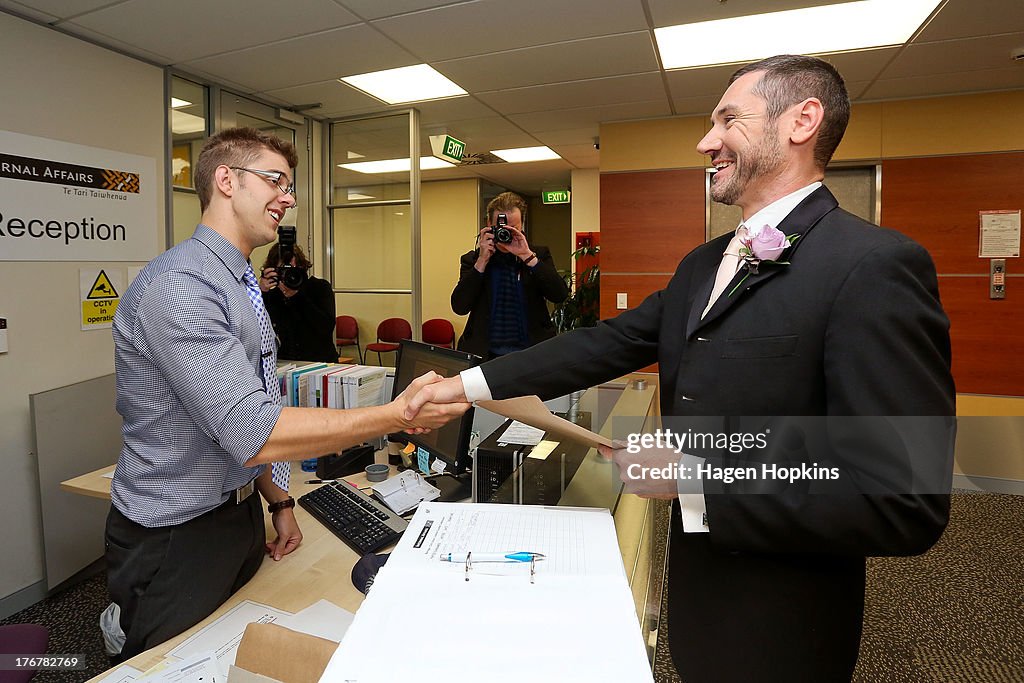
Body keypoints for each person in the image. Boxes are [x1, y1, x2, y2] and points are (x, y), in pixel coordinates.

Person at [407, 55, 955, 682]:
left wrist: (696, 481)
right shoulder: (704, 263)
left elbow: (903, 498)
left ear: (802, 121)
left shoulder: (874, 266)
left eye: (727, 119)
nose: (706, 141)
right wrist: (465, 384)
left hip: (782, 617)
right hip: (695, 589)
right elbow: (605, 343)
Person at [106, 127, 468, 660]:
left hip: (237, 513)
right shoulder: (183, 284)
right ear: (225, 180)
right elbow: (251, 430)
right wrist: (394, 414)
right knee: (175, 664)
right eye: (275, 179)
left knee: (237, 660)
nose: (289, 196)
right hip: (175, 535)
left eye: (290, 184)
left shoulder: (238, 280)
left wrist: (277, 497)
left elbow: (248, 403)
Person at [451, 191, 569, 359]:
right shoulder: (473, 259)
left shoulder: (537, 255)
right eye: (501, 228)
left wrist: (527, 256)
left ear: (523, 226)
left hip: (531, 354)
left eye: (513, 228)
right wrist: (482, 261)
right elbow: (459, 307)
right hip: (485, 355)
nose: (506, 234)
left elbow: (560, 294)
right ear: (489, 224)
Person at [259, 242, 338, 363]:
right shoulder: (273, 295)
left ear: (301, 267)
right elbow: (260, 327)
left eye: (292, 269)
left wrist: (296, 296)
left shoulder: (319, 287)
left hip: (321, 362)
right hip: (285, 364)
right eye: (282, 270)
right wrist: (262, 292)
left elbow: (326, 327)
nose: (288, 275)